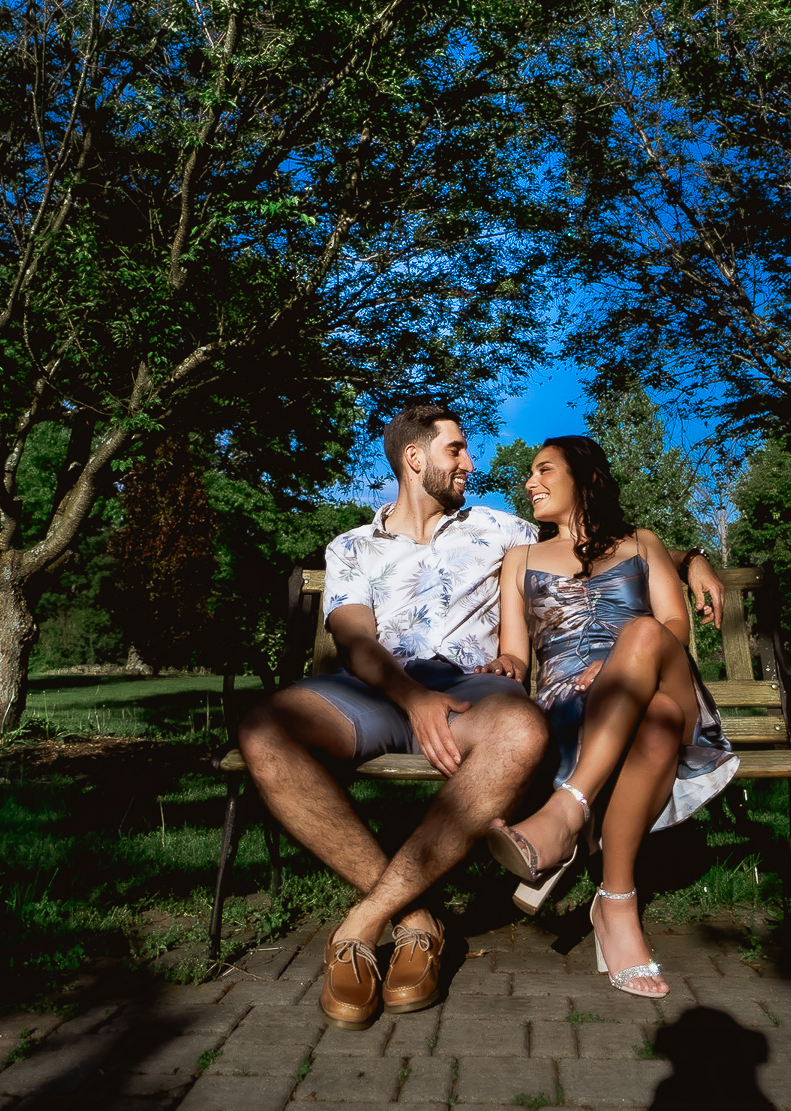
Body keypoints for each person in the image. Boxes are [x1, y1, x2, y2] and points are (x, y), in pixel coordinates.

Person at [239, 405, 723, 1030]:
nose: (472, 463)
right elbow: (356, 639)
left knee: (522, 732)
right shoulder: (351, 547)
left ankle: (362, 923)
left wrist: (691, 558)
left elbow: (594, 538)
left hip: (472, 690)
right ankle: (410, 918)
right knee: (263, 730)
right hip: (375, 685)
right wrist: (412, 699)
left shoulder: (498, 529)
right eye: (457, 451)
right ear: (414, 458)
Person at [484, 436, 738, 999]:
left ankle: (565, 812)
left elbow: (675, 626)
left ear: (584, 477)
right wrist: (503, 664)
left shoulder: (642, 543)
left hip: (656, 670)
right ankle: (616, 905)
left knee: (644, 633)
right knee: (658, 720)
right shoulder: (520, 560)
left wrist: (617, 663)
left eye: (543, 469)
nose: (530, 482)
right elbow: (518, 654)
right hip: (573, 705)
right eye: (530, 473)